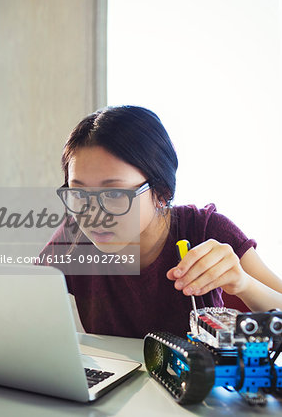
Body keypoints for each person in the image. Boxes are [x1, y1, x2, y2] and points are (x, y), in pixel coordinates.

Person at [38, 105, 282, 338]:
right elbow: (18, 306)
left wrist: (244, 284)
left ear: (162, 192)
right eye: (79, 194)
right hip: (120, 382)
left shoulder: (205, 230)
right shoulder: (73, 238)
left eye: (113, 194)